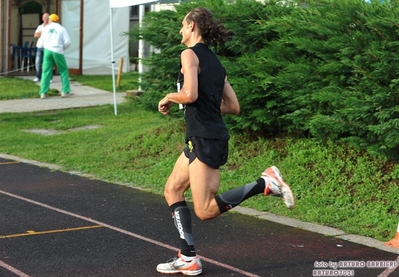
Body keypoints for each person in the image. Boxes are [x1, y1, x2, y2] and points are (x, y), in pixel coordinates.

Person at [156, 7, 295, 276]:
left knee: (205, 210)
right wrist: (203, 104)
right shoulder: (216, 63)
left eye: (183, 26)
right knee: (172, 189)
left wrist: (169, 97)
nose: (180, 31)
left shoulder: (189, 54)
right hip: (202, 137)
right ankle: (188, 257)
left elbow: (190, 94)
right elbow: (233, 106)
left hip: (206, 138)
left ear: (193, 26)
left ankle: (264, 183)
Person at [39, 14, 71, 99]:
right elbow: (68, 42)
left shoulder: (45, 28)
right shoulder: (62, 29)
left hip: (47, 51)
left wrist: (45, 47)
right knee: (63, 71)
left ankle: (43, 92)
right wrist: (62, 48)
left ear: (50, 20)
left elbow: (41, 42)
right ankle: (65, 91)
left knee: (46, 72)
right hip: (58, 51)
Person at [33, 12, 51, 83]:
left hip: (48, 47)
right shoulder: (40, 26)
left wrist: (41, 33)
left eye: (47, 17)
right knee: (38, 62)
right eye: (44, 17)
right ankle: (38, 76)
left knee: (48, 63)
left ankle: (49, 78)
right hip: (39, 47)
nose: (46, 19)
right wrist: (43, 32)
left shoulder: (51, 26)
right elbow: (35, 35)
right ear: (42, 18)